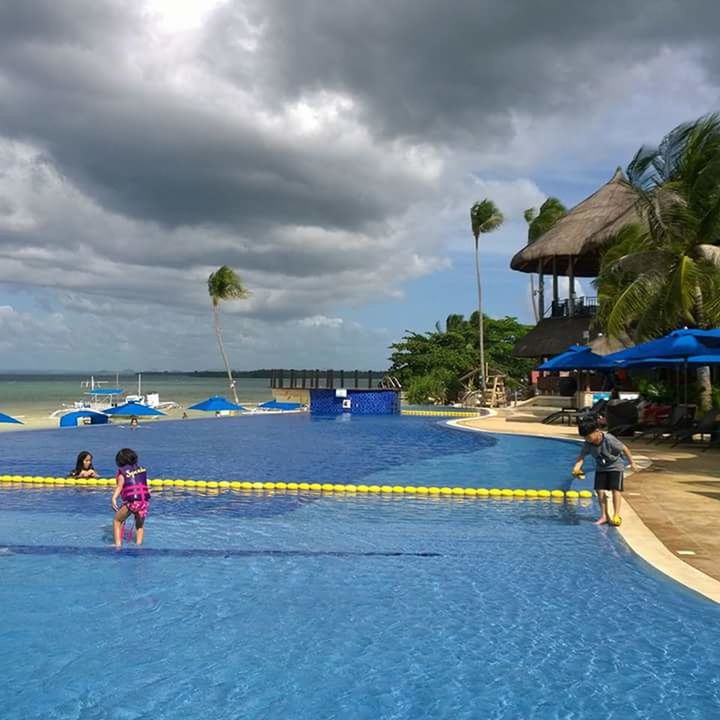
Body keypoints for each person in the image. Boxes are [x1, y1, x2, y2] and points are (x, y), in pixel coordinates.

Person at [572, 420, 638, 526]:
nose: (587, 440)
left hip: (615, 466)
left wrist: (632, 463)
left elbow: (624, 448)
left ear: (597, 431)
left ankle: (616, 515)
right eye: (584, 438)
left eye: (588, 437)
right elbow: (581, 457)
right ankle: (604, 516)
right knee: (600, 491)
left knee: (615, 489)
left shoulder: (609, 439)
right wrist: (576, 468)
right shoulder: (588, 443)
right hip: (601, 468)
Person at [111, 448, 150, 548]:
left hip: (132, 503)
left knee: (117, 520)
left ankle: (118, 545)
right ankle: (139, 545)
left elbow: (120, 486)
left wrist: (113, 499)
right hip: (144, 502)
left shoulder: (122, 473)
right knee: (139, 526)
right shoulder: (141, 470)